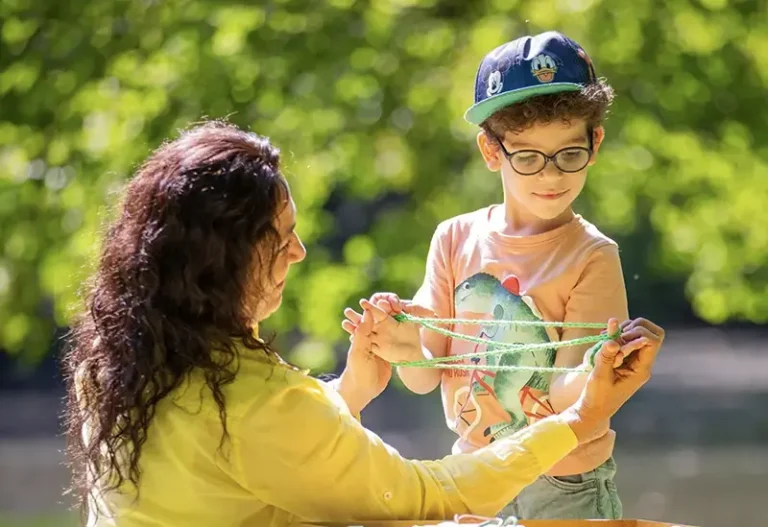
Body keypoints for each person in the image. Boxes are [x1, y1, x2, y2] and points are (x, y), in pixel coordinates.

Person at [62, 121, 664, 527]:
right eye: (283, 237)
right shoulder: (254, 401)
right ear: (226, 261)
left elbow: (267, 448)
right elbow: (429, 496)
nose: (299, 253)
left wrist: (350, 391)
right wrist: (581, 417)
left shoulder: (115, 367)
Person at [344, 31, 632, 520]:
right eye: (527, 157)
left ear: (594, 141)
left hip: (563, 480)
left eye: (568, 154)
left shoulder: (593, 256)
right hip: (473, 471)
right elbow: (427, 373)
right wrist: (406, 348)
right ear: (491, 151)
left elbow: (570, 400)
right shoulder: (454, 238)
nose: (551, 176)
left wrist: (595, 370)